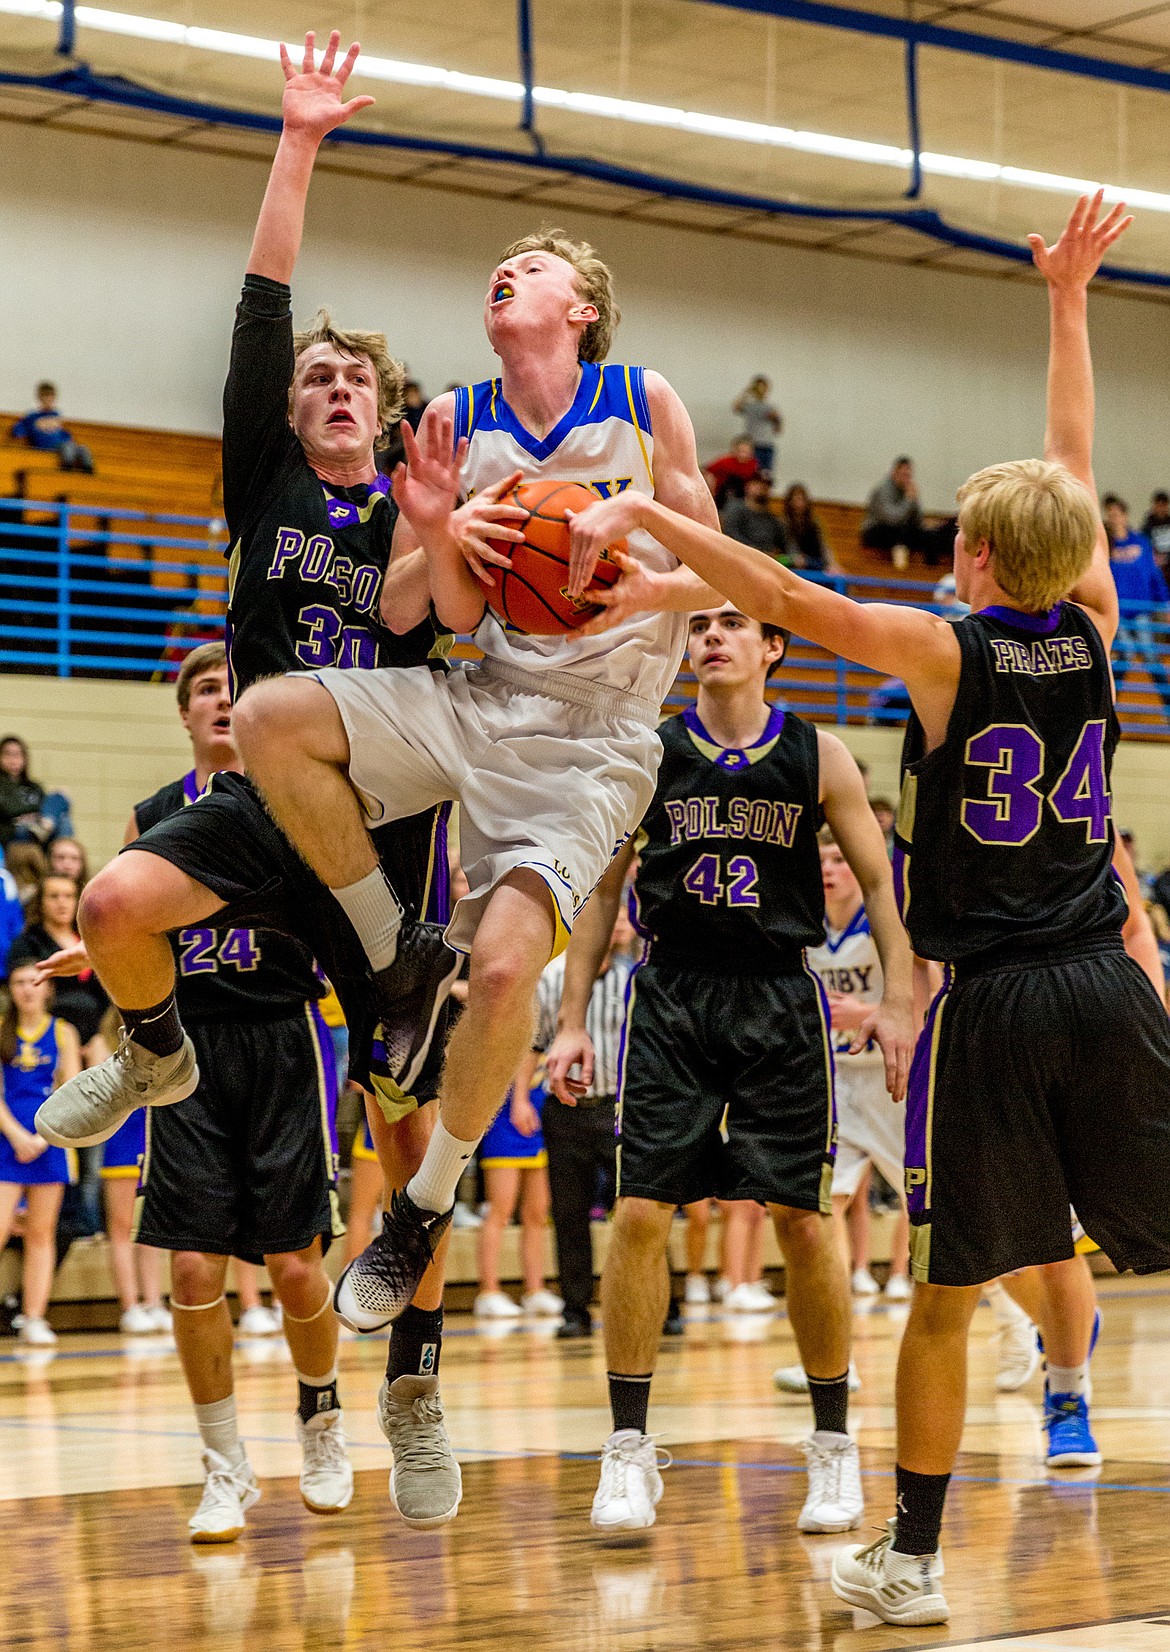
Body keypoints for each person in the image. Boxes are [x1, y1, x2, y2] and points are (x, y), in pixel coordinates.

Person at [570, 192, 1170, 1626]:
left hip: (1008, 997)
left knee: (949, 1297)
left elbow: (777, 586)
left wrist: (646, 507)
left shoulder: (943, 649)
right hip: (1110, 980)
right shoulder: (1093, 628)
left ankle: (907, 1561)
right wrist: (1069, 300)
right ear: (1069, 556)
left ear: (968, 559)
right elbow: (1075, 462)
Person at [32, 34, 462, 1532]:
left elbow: (449, 618)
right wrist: (298, 140)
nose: (330, 385)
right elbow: (262, 309)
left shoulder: (420, 516)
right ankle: (153, 1054)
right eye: (315, 380)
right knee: (118, 896)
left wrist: (443, 522)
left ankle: (409, 1382)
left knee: (408, 1145)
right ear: (287, 415)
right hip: (268, 809)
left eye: (356, 379)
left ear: (387, 412)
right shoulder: (266, 486)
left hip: (382, 832)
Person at [231, 207, 719, 1342]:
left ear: (580, 310)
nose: (509, 268)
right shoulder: (452, 417)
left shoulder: (645, 405)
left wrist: (654, 591)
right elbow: (431, 609)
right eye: (502, 264)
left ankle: (426, 1200)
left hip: (598, 729)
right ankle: (398, 956)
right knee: (267, 718)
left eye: (534, 264)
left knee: (503, 977)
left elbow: (730, 571)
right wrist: (443, 526)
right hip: (477, 694)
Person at [544, 601, 914, 1535]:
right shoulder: (652, 750)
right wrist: (576, 1019)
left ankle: (834, 1449)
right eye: (699, 623)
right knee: (638, 1212)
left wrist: (902, 1003)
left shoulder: (818, 754)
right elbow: (600, 891)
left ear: (771, 645)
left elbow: (880, 882)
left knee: (801, 1216)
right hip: (672, 995)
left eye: (732, 622)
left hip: (778, 998)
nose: (712, 634)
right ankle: (627, 1449)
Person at [68, 642, 353, 1538]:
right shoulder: (153, 814)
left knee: (294, 1262)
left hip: (283, 1036)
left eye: (234, 686)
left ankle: (321, 1417)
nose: (220, 700)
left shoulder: (299, 797)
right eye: (204, 690)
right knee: (191, 1264)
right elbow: (128, 923)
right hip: (186, 1047)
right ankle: (224, 1465)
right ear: (185, 714)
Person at [537, 906, 635, 1339]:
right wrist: (521, 1098)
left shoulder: (635, 980)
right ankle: (575, 1310)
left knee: (637, 1211)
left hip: (620, 1110)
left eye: (621, 917)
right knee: (569, 1214)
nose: (615, 923)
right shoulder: (551, 979)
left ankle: (660, 1305)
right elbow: (535, 1042)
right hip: (566, 1109)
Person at [0, 962, 82, 1346]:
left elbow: (74, 1094)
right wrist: (18, 1136)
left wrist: (43, 1138)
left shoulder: (64, 1032)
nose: (27, 989)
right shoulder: (1, 1030)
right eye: (19, 982)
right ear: (10, 989)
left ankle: (33, 1317)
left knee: (40, 1234)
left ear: (47, 987)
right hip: (6, 1142)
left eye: (34, 981)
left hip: (48, 1144)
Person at [474, 1057, 562, 1319]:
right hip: (504, 1122)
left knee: (537, 1212)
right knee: (500, 1209)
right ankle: (488, 1292)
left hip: (540, 1121)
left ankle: (534, 1290)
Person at [10, 874, 109, 1066]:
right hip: (50, 1035)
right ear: (40, 902)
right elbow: (25, 990)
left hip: (96, 1034)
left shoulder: (92, 940)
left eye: (69, 896)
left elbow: (108, 994)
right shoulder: (28, 943)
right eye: (54, 896)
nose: (62, 903)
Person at [99, 1108, 170, 1335]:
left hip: (156, 1133)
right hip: (123, 1131)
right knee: (122, 1227)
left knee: (152, 1225)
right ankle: (130, 1307)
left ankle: (154, 1302)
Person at [1103, 493, 1170, 718]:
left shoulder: (1141, 541)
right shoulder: (1105, 546)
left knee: (1150, 655)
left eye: (1116, 514)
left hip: (1141, 611)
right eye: (1109, 515)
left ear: (1124, 515)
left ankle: (1167, 706)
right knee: (1125, 655)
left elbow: (1154, 575)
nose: (1113, 518)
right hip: (1118, 612)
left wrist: (1165, 604)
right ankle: (1108, 708)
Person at [0, 737, 73, 851]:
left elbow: (48, 807)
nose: (13, 759)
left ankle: (61, 855)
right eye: (8, 754)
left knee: (60, 799)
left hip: (38, 826)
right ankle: (44, 827)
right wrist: (34, 813)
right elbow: (8, 809)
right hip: (14, 832)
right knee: (52, 819)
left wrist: (41, 817)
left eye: (18, 754)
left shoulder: (34, 787)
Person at [10, 383, 94, 474]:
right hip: (44, 446)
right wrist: (24, 432)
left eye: (51, 397)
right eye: (46, 397)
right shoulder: (32, 416)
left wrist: (68, 439)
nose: (49, 400)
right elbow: (18, 429)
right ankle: (67, 467)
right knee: (67, 446)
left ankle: (88, 470)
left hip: (59, 446)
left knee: (83, 448)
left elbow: (63, 434)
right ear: (40, 398)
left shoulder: (56, 416)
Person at [860, 458, 923, 570]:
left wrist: (915, 500)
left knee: (923, 534)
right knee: (898, 532)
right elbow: (892, 519)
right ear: (894, 473)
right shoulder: (882, 490)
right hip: (875, 531)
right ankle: (900, 568)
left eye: (908, 475)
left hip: (897, 531)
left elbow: (917, 520)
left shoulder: (907, 491)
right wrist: (908, 501)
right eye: (903, 474)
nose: (906, 479)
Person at [721, 472, 789, 561]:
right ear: (747, 486)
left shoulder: (773, 519)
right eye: (757, 483)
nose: (762, 488)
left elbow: (782, 546)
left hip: (767, 563)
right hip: (739, 559)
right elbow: (731, 537)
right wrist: (758, 552)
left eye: (766, 485)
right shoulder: (735, 510)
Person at [732, 376, 782, 471]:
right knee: (750, 472)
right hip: (752, 445)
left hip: (767, 444)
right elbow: (736, 407)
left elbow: (778, 428)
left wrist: (776, 419)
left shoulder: (770, 407)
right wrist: (746, 392)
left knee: (765, 474)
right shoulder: (750, 406)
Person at [782, 484, 830, 573]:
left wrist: (831, 564)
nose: (799, 503)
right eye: (796, 499)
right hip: (791, 562)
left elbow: (823, 547)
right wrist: (795, 558)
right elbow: (788, 547)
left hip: (814, 563)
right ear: (789, 502)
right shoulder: (784, 524)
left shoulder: (814, 524)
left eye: (802, 499)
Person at [704, 437, 758, 509]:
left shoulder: (753, 465)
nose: (743, 454)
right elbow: (708, 472)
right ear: (735, 450)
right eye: (741, 451)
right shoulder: (725, 461)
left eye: (746, 451)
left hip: (742, 497)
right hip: (722, 495)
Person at [1141, 490, 1170, 571]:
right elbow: (1144, 543)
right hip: (1155, 563)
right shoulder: (1147, 525)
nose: (1160, 509)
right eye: (1158, 505)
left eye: (1163, 505)